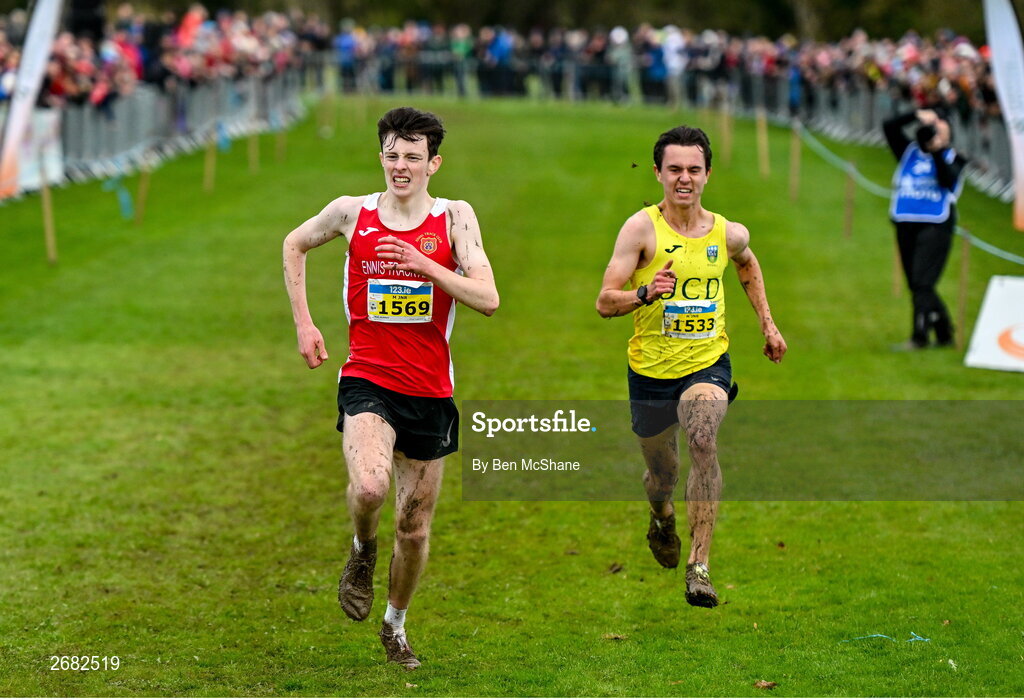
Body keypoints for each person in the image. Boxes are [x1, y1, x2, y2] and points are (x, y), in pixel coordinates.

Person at [282, 107, 499, 669]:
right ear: (381, 157)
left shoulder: (456, 218)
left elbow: (488, 298)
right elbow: (294, 244)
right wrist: (305, 323)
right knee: (373, 488)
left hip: (430, 391)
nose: (401, 166)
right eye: (393, 155)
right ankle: (360, 550)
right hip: (367, 378)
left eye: (413, 157)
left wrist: (430, 269)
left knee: (414, 528)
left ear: (434, 163)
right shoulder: (352, 213)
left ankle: (395, 625)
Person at [596, 125, 786, 607]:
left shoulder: (728, 232)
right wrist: (645, 292)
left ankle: (699, 567)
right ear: (658, 173)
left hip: (706, 365)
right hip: (649, 371)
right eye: (675, 169)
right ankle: (661, 517)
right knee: (662, 475)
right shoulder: (640, 230)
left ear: (707, 175)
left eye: (694, 170)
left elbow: (746, 263)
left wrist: (768, 324)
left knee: (703, 440)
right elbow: (604, 302)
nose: (685, 178)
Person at [883, 108, 967, 350]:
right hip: (906, 221)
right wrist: (915, 115)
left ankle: (919, 337)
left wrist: (937, 149)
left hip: (936, 225)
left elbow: (947, 180)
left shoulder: (954, 157)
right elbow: (889, 126)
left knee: (922, 281)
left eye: (940, 128)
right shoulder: (909, 153)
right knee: (917, 283)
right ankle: (943, 332)